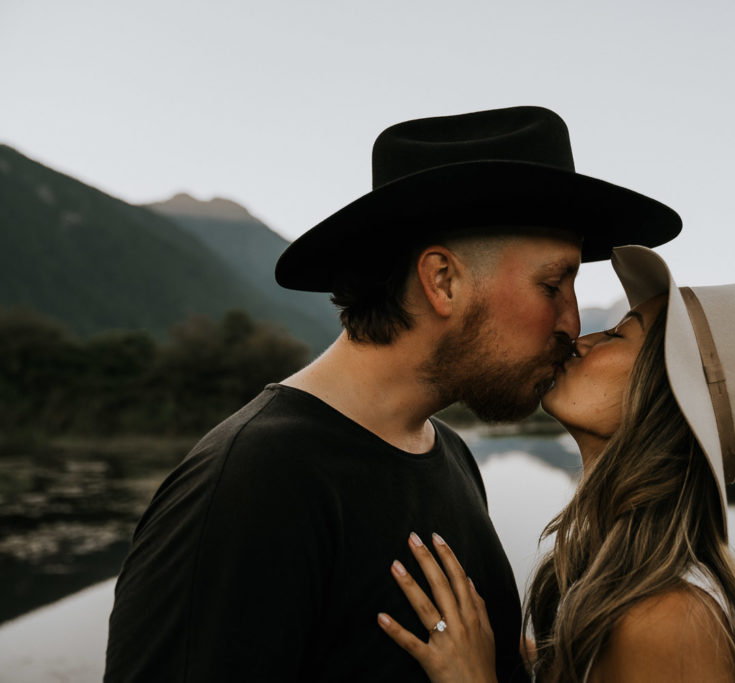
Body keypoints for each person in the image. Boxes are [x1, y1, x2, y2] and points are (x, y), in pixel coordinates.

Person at [103, 107, 681, 682]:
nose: (571, 323)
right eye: (552, 284)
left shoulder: (450, 456)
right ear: (442, 281)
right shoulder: (252, 483)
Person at [377, 245, 735, 682]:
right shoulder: (620, 589)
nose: (582, 340)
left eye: (617, 334)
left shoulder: (672, 622)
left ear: (663, 396)